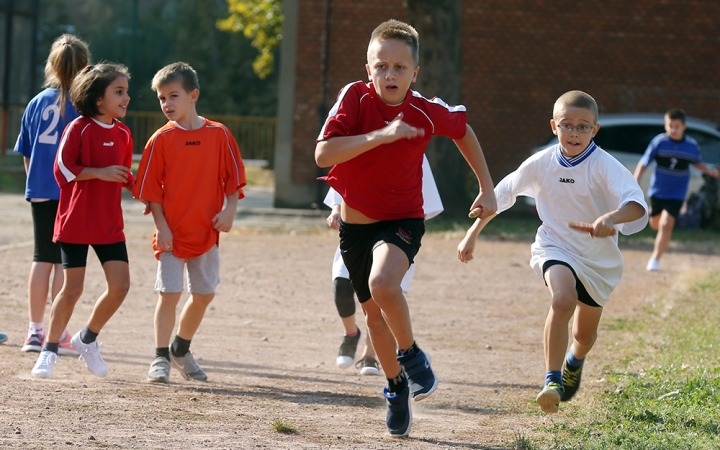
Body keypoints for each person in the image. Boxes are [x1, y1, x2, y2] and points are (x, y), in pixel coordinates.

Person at [315, 20, 496, 438]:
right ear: (368, 68)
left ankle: (412, 355)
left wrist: (487, 188)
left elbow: (463, 131)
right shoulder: (353, 98)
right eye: (381, 66)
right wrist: (381, 135)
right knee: (374, 322)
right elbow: (323, 154)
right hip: (355, 228)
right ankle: (396, 387)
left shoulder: (424, 110)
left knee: (383, 282)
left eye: (400, 67)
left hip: (402, 221)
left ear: (414, 73)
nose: (390, 74)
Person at [458, 90, 648, 414]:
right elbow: (501, 195)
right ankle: (552, 380)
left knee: (585, 336)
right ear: (553, 126)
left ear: (595, 130)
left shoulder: (605, 165)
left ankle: (575, 360)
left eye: (583, 127)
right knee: (562, 298)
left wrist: (611, 218)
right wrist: (472, 234)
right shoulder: (541, 163)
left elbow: (636, 204)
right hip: (554, 245)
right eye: (567, 125)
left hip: (597, 259)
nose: (574, 133)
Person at [133, 62, 246, 384]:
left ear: (193, 95)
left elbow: (234, 180)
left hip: (207, 231)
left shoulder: (219, 134)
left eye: (173, 96)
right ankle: (159, 357)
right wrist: (162, 226)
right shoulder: (160, 140)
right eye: (161, 98)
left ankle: (180, 348)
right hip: (172, 234)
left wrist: (230, 210)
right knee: (169, 294)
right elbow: (151, 192)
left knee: (205, 294)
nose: (166, 104)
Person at [31, 63, 135, 379]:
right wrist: (98, 173)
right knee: (72, 290)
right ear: (97, 98)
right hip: (76, 221)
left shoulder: (124, 134)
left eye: (127, 91)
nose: (126, 97)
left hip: (108, 224)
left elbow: (126, 176)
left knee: (120, 286)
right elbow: (61, 170)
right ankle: (48, 350)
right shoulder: (78, 128)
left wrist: (154, 197)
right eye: (119, 91)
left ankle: (87, 338)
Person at [324, 155, 443, 376]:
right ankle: (351, 333)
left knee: (380, 296)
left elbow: (424, 204)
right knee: (341, 287)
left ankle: (370, 356)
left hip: (393, 239)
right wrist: (336, 210)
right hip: (356, 235)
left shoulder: (413, 150)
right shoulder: (361, 141)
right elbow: (342, 181)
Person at [13, 34, 90, 356]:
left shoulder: (35, 102)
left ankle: (34, 331)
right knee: (63, 264)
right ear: (86, 66)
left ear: (52, 65)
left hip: (41, 189)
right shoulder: (84, 105)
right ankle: (58, 334)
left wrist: (36, 182)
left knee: (41, 259)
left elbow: (27, 153)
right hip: (70, 191)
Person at [634, 108, 719, 272]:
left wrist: (709, 170)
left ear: (684, 126)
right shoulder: (659, 142)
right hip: (658, 191)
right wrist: (635, 181)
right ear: (666, 126)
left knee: (666, 225)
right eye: (670, 126)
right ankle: (659, 231)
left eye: (677, 126)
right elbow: (644, 163)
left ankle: (655, 259)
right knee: (655, 224)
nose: (673, 129)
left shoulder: (691, 145)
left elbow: (697, 162)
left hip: (677, 194)